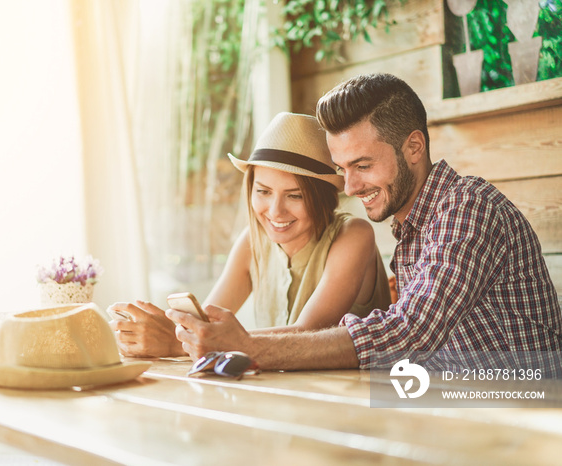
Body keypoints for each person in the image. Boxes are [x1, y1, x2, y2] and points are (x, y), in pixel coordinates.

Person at [168, 73, 562, 373]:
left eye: (363, 165)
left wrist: (251, 348)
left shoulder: (466, 206)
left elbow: (412, 332)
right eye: (342, 169)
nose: (351, 186)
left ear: (413, 148)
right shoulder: (413, 231)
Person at [109, 112, 392, 357]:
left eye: (294, 196)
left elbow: (308, 334)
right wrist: (162, 329)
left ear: (323, 198)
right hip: (279, 394)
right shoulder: (252, 241)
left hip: (355, 399)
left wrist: (175, 343)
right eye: (263, 192)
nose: (275, 211)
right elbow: (207, 322)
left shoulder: (353, 235)